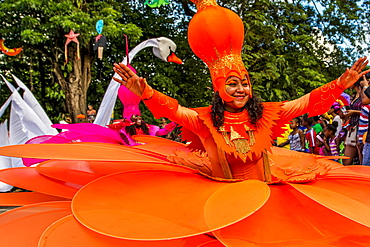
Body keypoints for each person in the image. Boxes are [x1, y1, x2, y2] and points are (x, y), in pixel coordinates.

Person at [1, 0, 370, 245]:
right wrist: (145, 92)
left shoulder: (268, 113)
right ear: (218, 87)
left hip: (269, 196)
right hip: (214, 197)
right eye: (232, 83)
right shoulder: (205, 119)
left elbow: (305, 103)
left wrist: (341, 84)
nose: (240, 88)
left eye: (244, 82)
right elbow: (173, 110)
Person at [343, 78, 363, 165]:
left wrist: (354, 112)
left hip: (361, 127)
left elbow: (367, 111)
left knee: (361, 157)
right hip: (352, 127)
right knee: (346, 160)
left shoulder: (365, 93)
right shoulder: (355, 95)